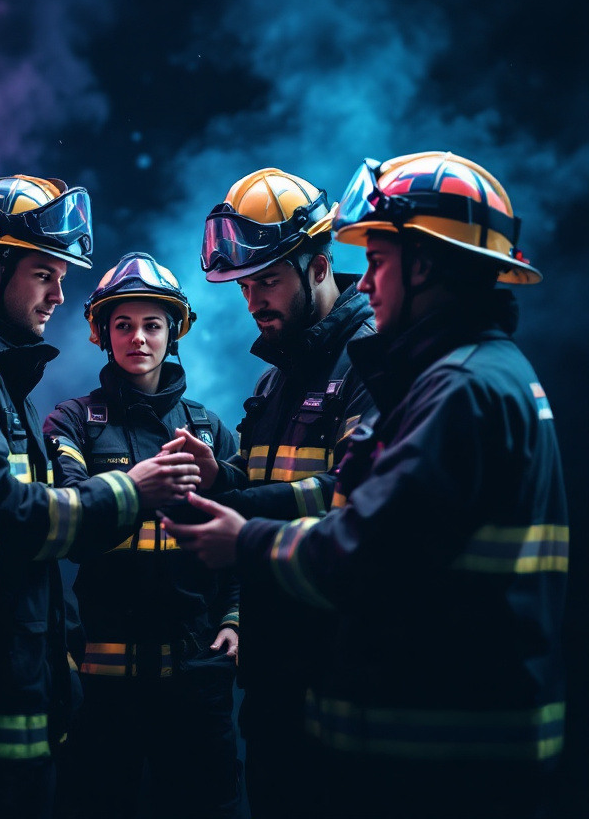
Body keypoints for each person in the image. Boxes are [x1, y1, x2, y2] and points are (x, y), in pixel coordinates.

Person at [164, 151, 569, 819]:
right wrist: (228, 480)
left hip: (445, 752)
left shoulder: (453, 387)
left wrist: (244, 535)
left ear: (426, 264)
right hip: (400, 729)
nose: (369, 281)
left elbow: (365, 542)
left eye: (378, 261)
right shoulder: (454, 375)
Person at [0, 180, 199, 819]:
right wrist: (134, 489)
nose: (60, 294)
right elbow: (12, 521)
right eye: (45, 273)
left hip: (22, 686)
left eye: (63, 276)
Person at [187, 167, 374, 817]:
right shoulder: (278, 375)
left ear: (319, 266)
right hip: (276, 671)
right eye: (245, 285)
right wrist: (223, 480)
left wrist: (238, 511)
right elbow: (278, 490)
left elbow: (356, 498)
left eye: (267, 280)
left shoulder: (371, 362)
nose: (252, 300)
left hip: (338, 670)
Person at [43, 252, 241, 819]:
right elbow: (73, 533)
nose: (138, 338)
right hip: (104, 684)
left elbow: (239, 535)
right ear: (102, 334)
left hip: (197, 678)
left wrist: (233, 619)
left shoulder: (208, 429)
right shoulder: (72, 423)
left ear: (173, 331)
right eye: (123, 325)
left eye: (152, 325)